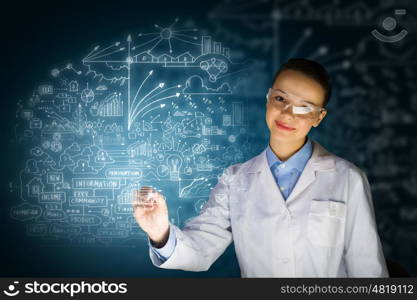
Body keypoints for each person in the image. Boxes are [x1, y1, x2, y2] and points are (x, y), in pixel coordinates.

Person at [132, 58, 389, 277]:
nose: (288, 114)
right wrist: (160, 232)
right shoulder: (235, 179)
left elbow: (366, 268)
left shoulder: (347, 179)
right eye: (281, 99)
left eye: (304, 108)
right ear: (268, 99)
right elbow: (201, 246)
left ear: (318, 117)